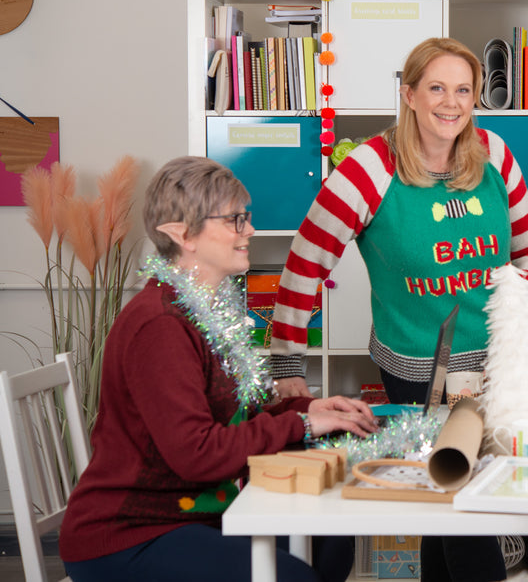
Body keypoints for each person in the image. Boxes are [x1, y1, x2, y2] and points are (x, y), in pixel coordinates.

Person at [269, 37, 528, 582]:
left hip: (493, 364)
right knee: (460, 508)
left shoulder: (494, 154)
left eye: (464, 90)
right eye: (437, 88)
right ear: (409, 94)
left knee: (451, 508)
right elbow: (304, 265)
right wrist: (286, 363)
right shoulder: (368, 170)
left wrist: (517, 347)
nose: (452, 102)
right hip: (419, 371)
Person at [59, 156, 379, 582]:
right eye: (235, 220)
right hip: (133, 533)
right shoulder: (160, 326)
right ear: (183, 233)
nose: (250, 230)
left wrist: (317, 409)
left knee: (333, 536)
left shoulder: (207, 311)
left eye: (244, 218)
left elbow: (246, 413)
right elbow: (198, 454)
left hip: (195, 514)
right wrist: (303, 423)